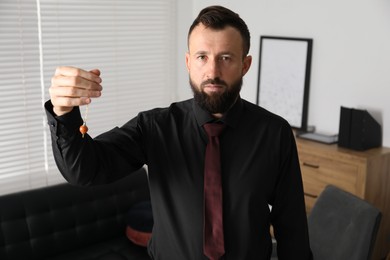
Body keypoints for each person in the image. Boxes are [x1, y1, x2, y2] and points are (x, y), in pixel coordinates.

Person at [45, 5, 313, 260]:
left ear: (245, 65)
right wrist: (63, 112)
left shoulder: (275, 133)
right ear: (188, 62)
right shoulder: (154, 127)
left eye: (226, 58)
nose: (213, 71)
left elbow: (292, 229)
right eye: (202, 57)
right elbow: (84, 170)